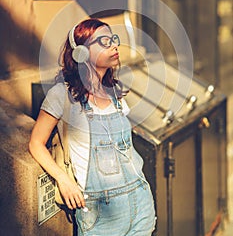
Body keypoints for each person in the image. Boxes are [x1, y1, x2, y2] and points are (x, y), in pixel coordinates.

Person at [29, 18, 156, 235]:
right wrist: (63, 179)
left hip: (140, 202)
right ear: (82, 53)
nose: (114, 46)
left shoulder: (115, 93)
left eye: (113, 40)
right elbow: (36, 143)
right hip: (100, 215)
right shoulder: (62, 96)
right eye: (104, 42)